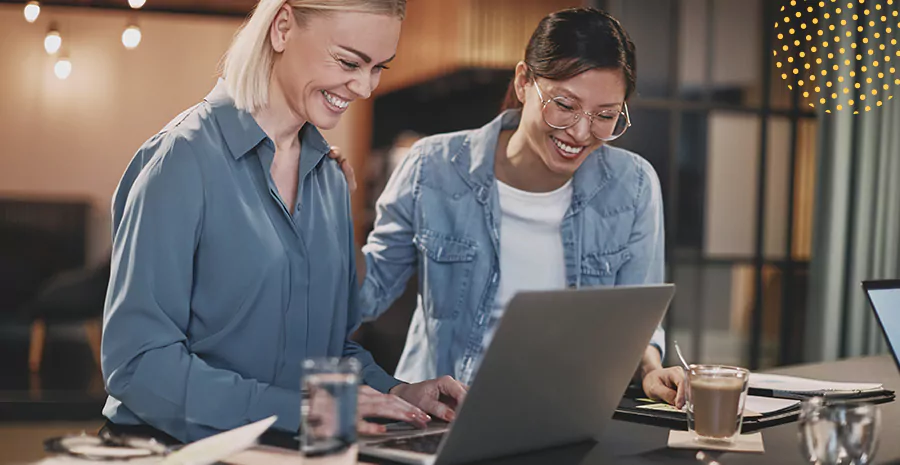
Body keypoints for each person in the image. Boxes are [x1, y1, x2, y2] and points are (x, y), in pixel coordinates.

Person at [100, 0, 465, 443]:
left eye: (378, 68)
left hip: (290, 448)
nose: (365, 87)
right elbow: (139, 365)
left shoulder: (330, 178)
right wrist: (299, 409)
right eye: (350, 61)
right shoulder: (181, 160)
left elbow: (332, 351)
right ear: (283, 27)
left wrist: (400, 393)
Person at [357, 7, 686, 408]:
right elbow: (364, 294)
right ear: (524, 80)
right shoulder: (434, 167)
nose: (581, 132)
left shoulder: (632, 185)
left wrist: (652, 371)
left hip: (566, 412)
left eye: (605, 116)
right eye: (564, 105)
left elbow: (636, 320)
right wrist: (324, 215)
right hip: (443, 413)